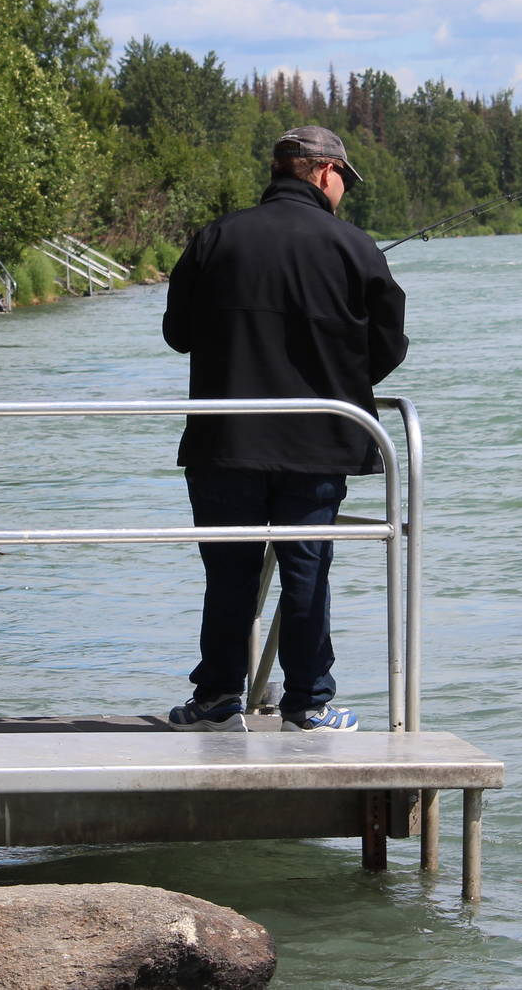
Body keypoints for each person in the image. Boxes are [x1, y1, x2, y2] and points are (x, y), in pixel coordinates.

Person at [161, 125, 408, 732]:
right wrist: (342, 376)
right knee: (306, 571)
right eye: (344, 179)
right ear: (326, 173)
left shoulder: (215, 238)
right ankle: (309, 702)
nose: (343, 190)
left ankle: (217, 695)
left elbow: (178, 335)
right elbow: (389, 346)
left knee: (227, 575)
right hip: (318, 439)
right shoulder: (355, 248)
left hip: (226, 441)